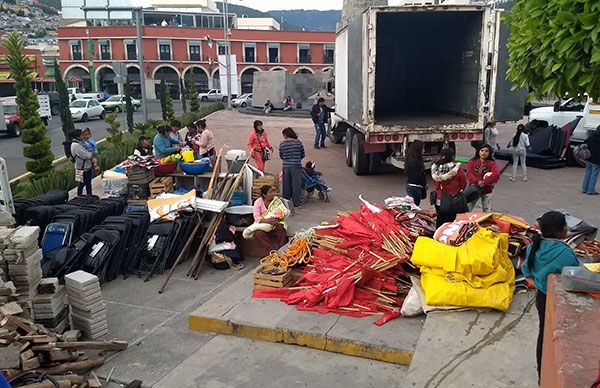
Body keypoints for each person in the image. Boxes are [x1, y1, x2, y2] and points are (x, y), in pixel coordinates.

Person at [522, 211, 578, 382]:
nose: (567, 229)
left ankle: (542, 375)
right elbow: (575, 274)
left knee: (544, 334)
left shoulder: (534, 245)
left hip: (541, 296)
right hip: (558, 300)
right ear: (559, 232)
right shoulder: (564, 252)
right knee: (561, 338)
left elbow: (526, 270)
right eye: (565, 226)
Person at [431, 147, 467, 228]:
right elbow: (463, 183)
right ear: (452, 157)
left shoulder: (435, 168)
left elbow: (436, 183)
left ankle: (437, 235)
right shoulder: (456, 169)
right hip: (452, 199)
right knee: (451, 221)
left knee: (440, 218)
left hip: (439, 199)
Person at [251, 185, 289, 254]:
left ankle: (282, 250)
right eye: (270, 192)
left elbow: (281, 211)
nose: (273, 194)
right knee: (258, 233)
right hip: (263, 224)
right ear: (264, 195)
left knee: (280, 228)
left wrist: (276, 218)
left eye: (273, 191)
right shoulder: (258, 202)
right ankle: (271, 251)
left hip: (275, 222)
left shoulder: (276, 201)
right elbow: (256, 217)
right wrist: (268, 221)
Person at [466, 144, 500, 212]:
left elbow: (496, 174)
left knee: (487, 210)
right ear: (478, 151)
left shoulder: (492, 163)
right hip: (474, 188)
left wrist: (485, 182)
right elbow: (469, 173)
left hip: (487, 189)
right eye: (482, 150)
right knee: (468, 208)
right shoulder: (472, 161)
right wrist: (477, 182)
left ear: (489, 153)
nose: (484, 152)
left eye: (486, 151)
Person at [279, 127, 305, 208]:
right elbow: (303, 154)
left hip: (286, 166)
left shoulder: (282, 144)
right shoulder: (298, 143)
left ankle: (286, 203)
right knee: (296, 185)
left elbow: (281, 155)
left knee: (286, 184)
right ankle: (296, 203)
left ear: (285, 135)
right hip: (296, 166)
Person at [70, 129, 94, 196]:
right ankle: (83, 196)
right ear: (77, 137)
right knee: (84, 184)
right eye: (81, 135)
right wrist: (91, 154)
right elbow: (85, 156)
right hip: (83, 168)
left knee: (84, 183)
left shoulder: (77, 143)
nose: (83, 136)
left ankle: (87, 196)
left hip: (83, 167)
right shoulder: (76, 145)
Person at [405, 140, 427, 206]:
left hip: (411, 185)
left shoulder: (410, 159)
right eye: (422, 149)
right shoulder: (415, 162)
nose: (424, 151)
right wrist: (424, 184)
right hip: (415, 187)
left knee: (413, 206)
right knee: (415, 207)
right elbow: (418, 175)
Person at [582, 125, 600, 195]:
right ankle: (591, 190)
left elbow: (584, 143)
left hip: (588, 158)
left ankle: (584, 188)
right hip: (596, 160)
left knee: (588, 172)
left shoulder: (591, 136)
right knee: (594, 174)